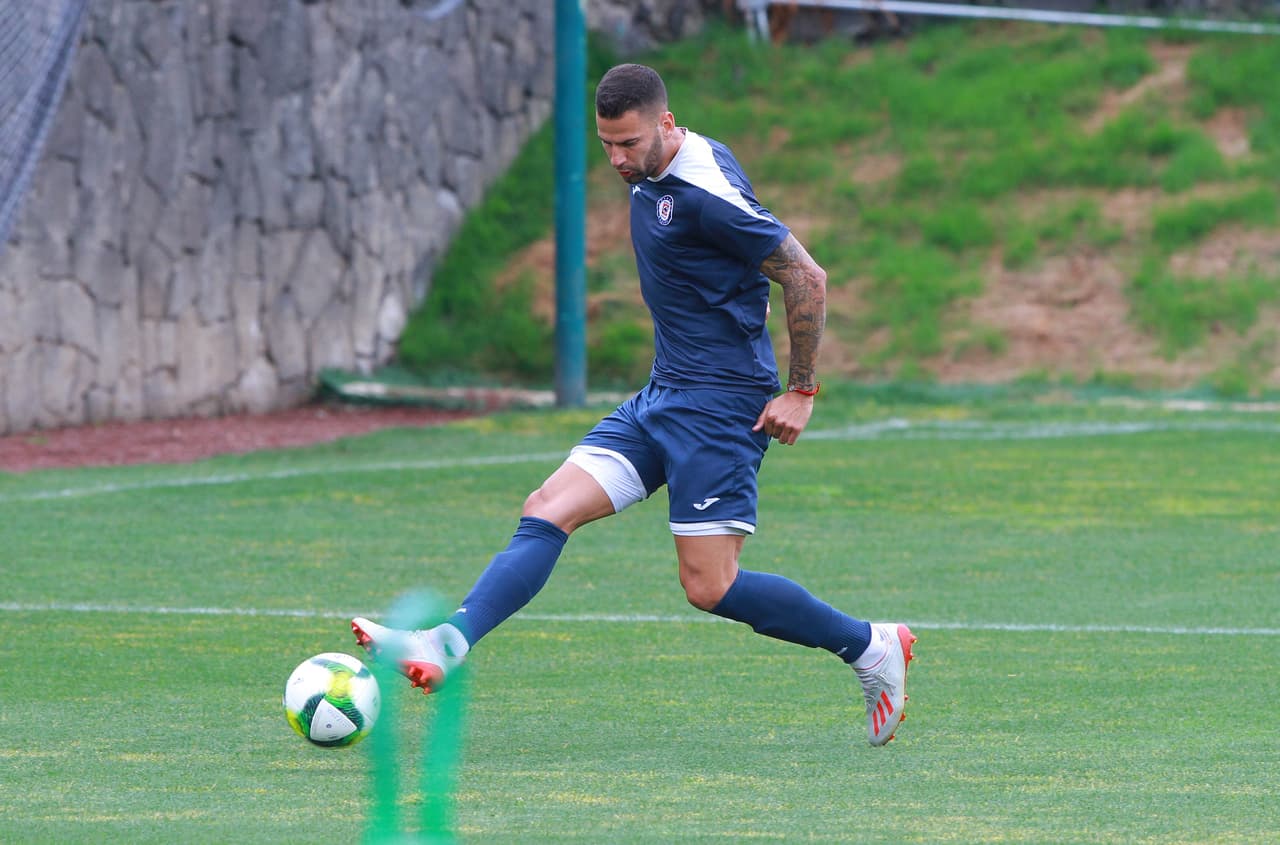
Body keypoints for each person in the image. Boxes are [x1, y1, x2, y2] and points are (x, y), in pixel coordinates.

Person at [352, 63, 916, 746]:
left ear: (667, 124)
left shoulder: (704, 194)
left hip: (721, 407)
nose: (618, 159)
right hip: (665, 393)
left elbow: (806, 274)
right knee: (546, 507)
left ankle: (869, 646)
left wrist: (800, 389)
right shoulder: (659, 167)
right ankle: (448, 641)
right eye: (606, 145)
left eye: (630, 143)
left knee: (710, 586)